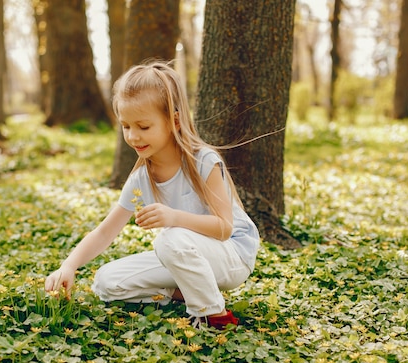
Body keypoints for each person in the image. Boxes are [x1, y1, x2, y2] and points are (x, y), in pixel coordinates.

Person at [44, 61, 260, 330]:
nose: (133, 136)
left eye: (143, 127)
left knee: (170, 238)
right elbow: (104, 233)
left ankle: (213, 314)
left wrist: (174, 217)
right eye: (125, 126)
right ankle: (186, 294)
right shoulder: (141, 179)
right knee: (106, 281)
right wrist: (69, 266)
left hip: (232, 257)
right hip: (184, 254)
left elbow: (224, 228)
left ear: (175, 120)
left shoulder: (203, 161)